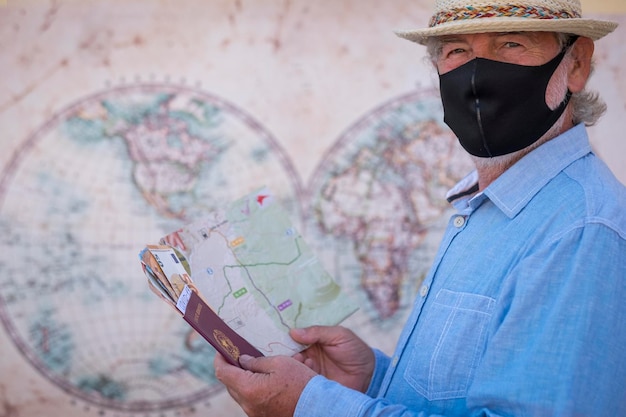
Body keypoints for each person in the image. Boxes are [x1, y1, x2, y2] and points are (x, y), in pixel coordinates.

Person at [213, 0, 626, 415]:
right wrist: (370, 378)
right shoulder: (490, 208)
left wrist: (312, 406)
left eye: (511, 44)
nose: (478, 75)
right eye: (457, 51)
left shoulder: (582, 231)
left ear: (575, 65)